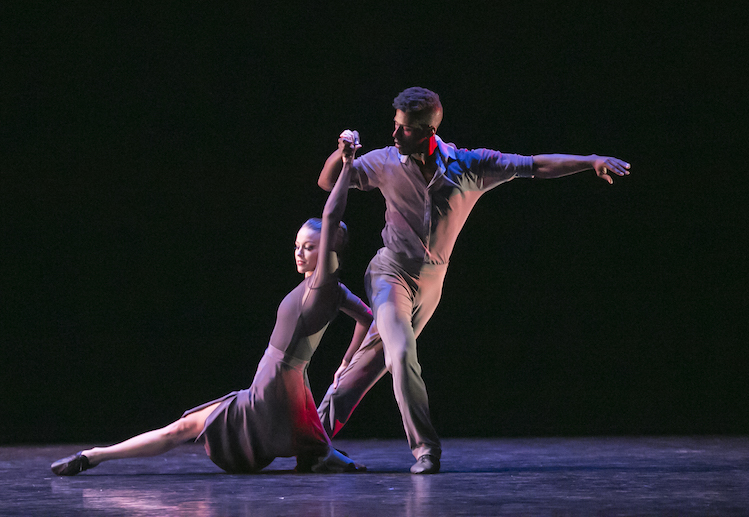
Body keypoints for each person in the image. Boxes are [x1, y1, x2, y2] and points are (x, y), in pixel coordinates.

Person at [316, 87, 631, 474]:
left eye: (405, 129)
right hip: (389, 273)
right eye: (394, 126)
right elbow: (329, 181)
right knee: (400, 353)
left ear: (428, 130)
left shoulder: (470, 166)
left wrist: (591, 161)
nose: (395, 135)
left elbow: (535, 165)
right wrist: (343, 153)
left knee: (370, 364)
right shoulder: (384, 161)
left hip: (431, 284)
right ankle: (426, 450)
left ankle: (311, 439)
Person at [51, 134, 372, 476]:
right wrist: (347, 359)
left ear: (330, 247)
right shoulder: (330, 291)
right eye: (297, 245)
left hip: (271, 389)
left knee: (181, 428)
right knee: (183, 428)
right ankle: (94, 456)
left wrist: (348, 164)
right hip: (274, 387)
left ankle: (94, 456)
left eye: (309, 247)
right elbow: (366, 318)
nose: (299, 252)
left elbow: (332, 213)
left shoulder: (324, 283)